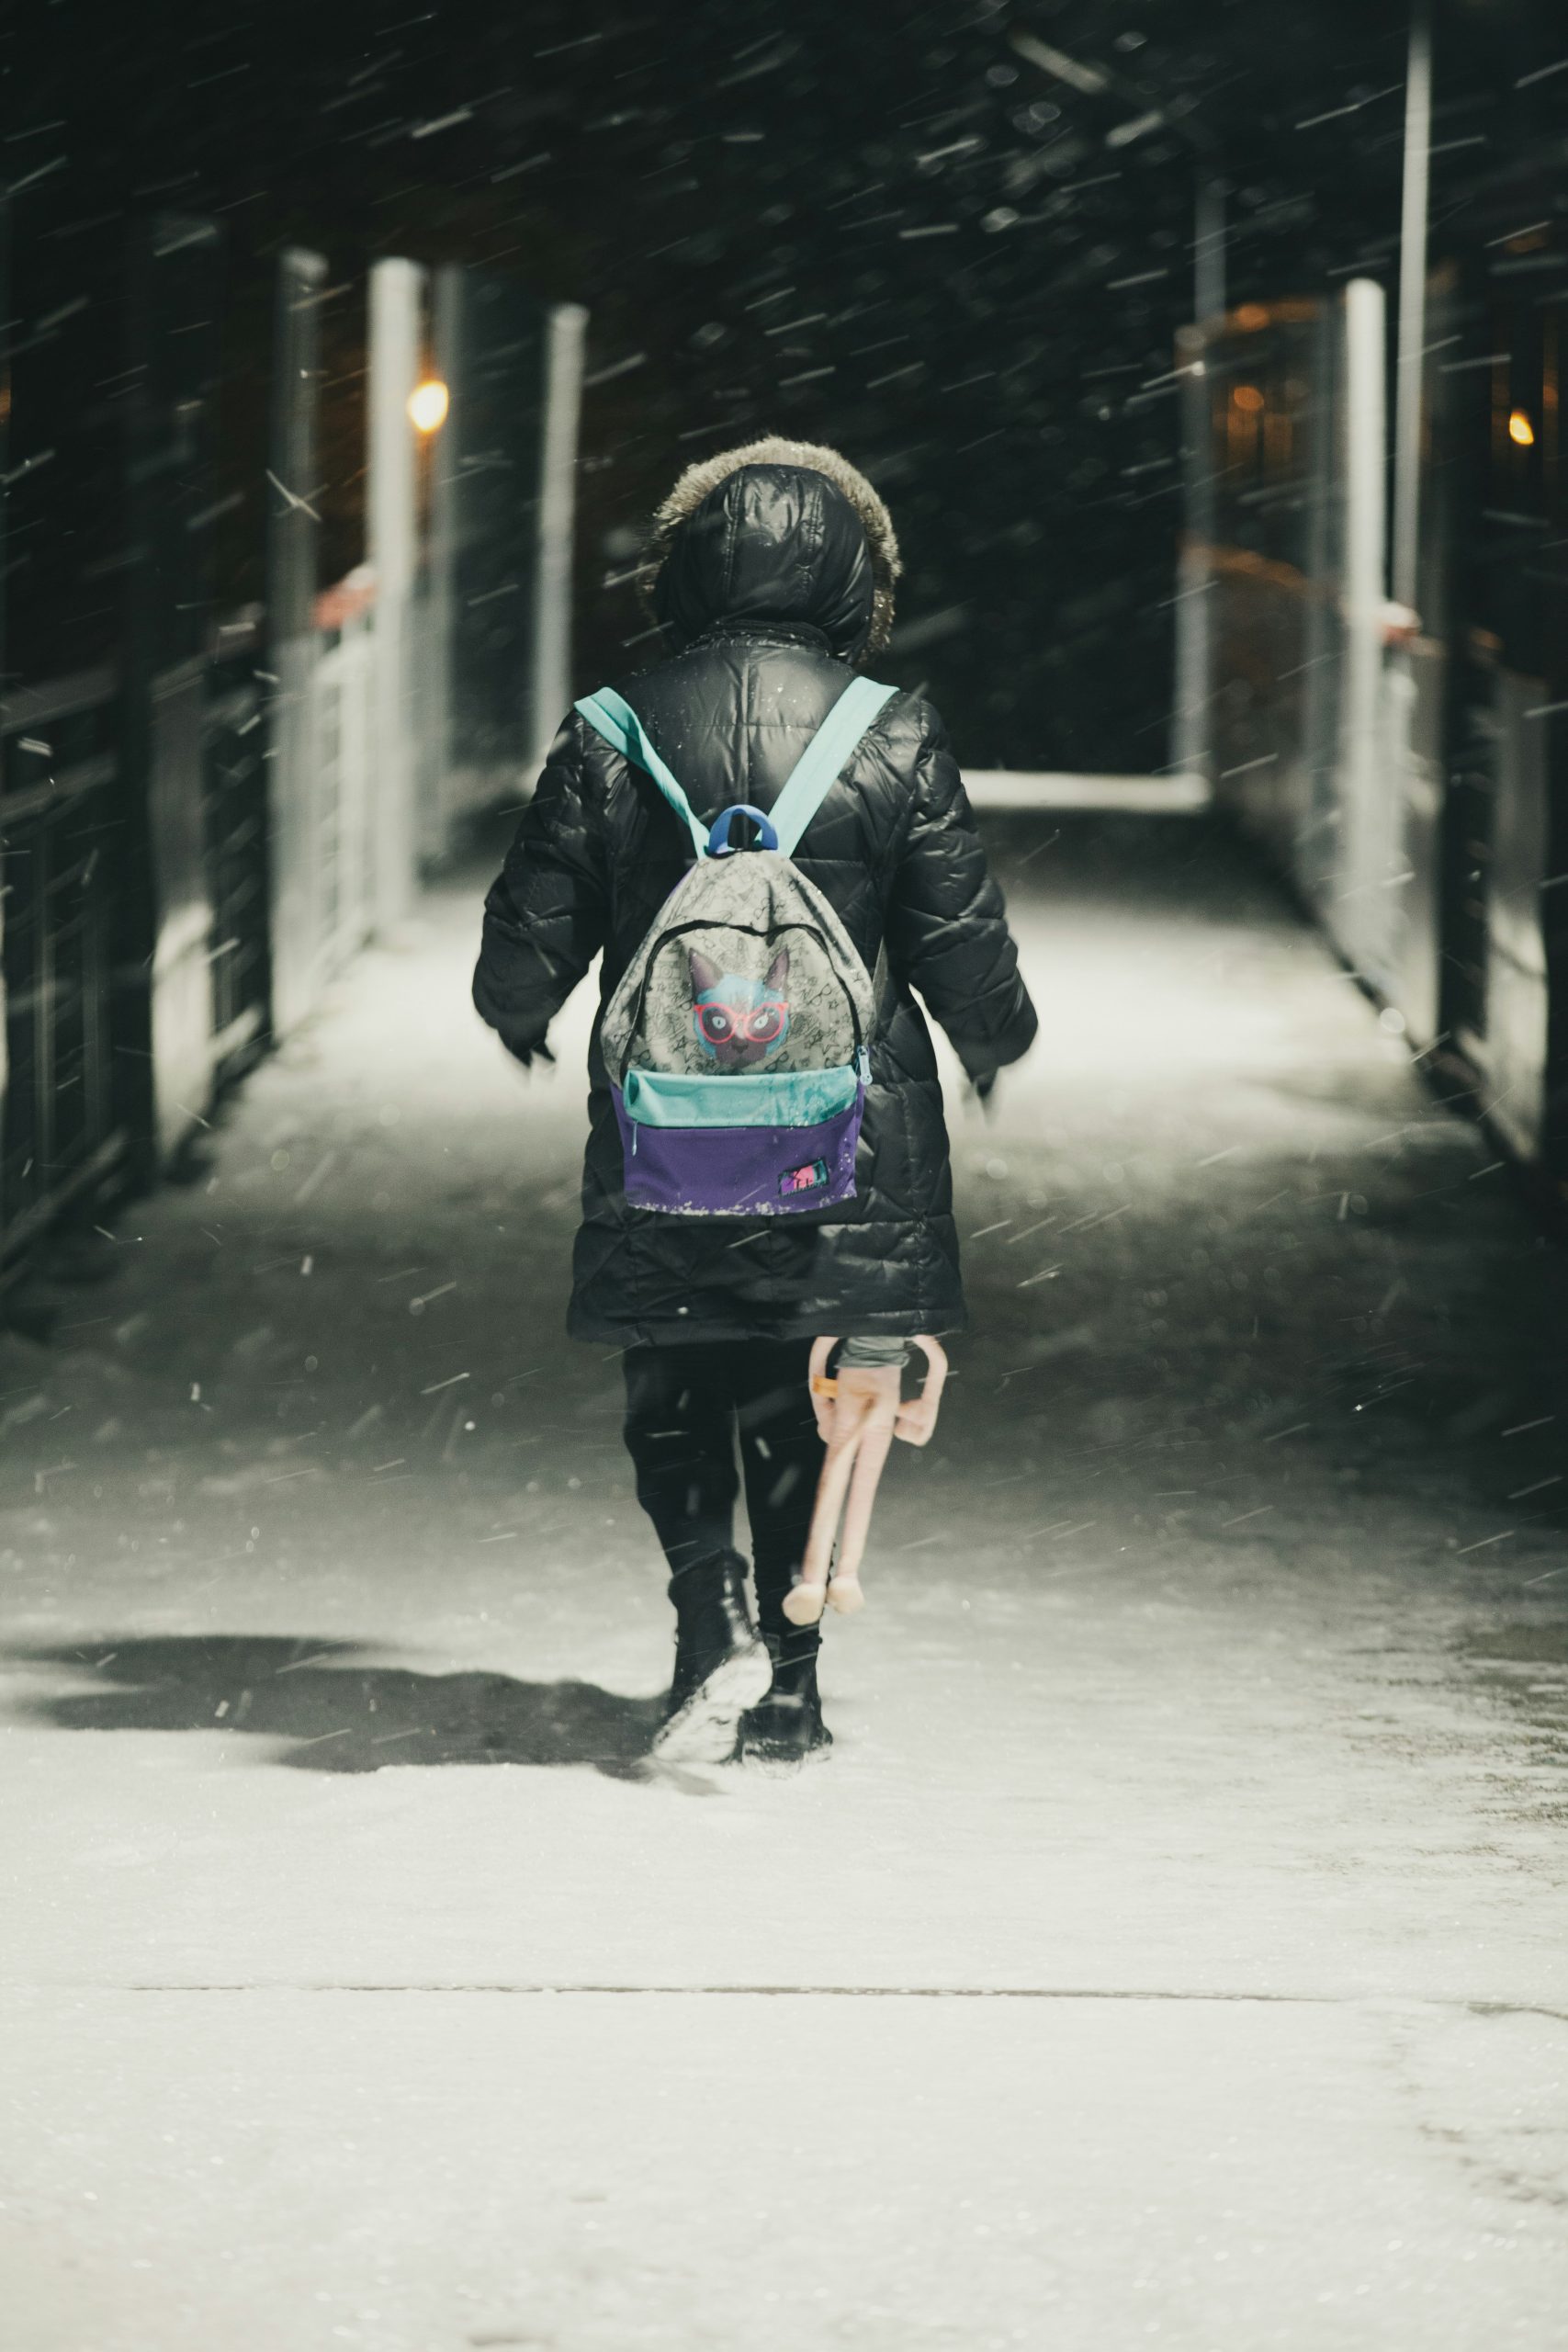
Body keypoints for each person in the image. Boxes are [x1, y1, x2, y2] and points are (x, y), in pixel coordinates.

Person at [473, 436, 1036, 1769]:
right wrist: (992, 1041)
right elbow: (962, 946)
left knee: (675, 1376)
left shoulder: (613, 726)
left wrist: (520, 1017)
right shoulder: (891, 728)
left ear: (680, 572)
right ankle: (790, 1690)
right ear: (853, 578)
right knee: (806, 1395)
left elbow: (526, 946)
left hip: (670, 1116)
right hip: (841, 1129)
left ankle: (706, 1608)